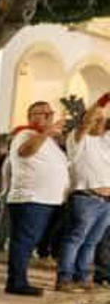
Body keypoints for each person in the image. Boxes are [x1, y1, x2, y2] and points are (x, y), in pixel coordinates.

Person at [57, 96, 110, 291]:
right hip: (86, 198)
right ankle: (64, 278)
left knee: (92, 242)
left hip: (106, 202)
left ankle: (83, 277)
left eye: (103, 120)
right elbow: (88, 119)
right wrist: (104, 99)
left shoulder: (105, 141)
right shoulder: (78, 139)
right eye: (97, 120)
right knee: (75, 239)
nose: (100, 122)